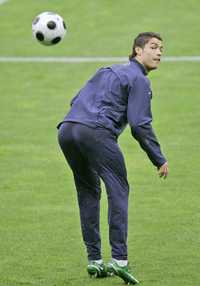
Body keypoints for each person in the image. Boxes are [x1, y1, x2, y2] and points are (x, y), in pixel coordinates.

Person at [57, 32, 168, 284]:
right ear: (137, 51)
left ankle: (94, 260)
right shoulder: (139, 79)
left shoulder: (106, 70)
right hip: (96, 132)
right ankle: (119, 260)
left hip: (67, 129)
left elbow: (75, 100)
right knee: (118, 190)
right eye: (153, 47)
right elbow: (140, 125)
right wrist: (158, 158)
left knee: (88, 191)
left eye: (162, 48)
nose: (159, 52)